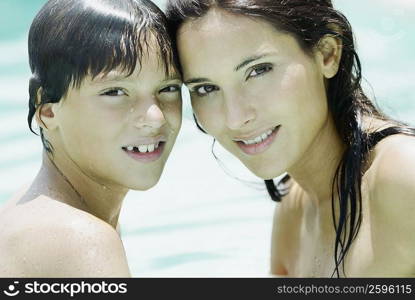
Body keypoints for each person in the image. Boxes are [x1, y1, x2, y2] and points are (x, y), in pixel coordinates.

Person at [166, 0, 415, 277]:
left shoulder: (403, 177)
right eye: (206, 88)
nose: (235, 118)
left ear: (327, 53)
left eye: (258, 70)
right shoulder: (294, 211)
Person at [0, 0, 182, 277]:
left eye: (168, 88)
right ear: (47, 111)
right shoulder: (79, 239)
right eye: (115, 92)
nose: (156, 118)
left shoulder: (34, 210)